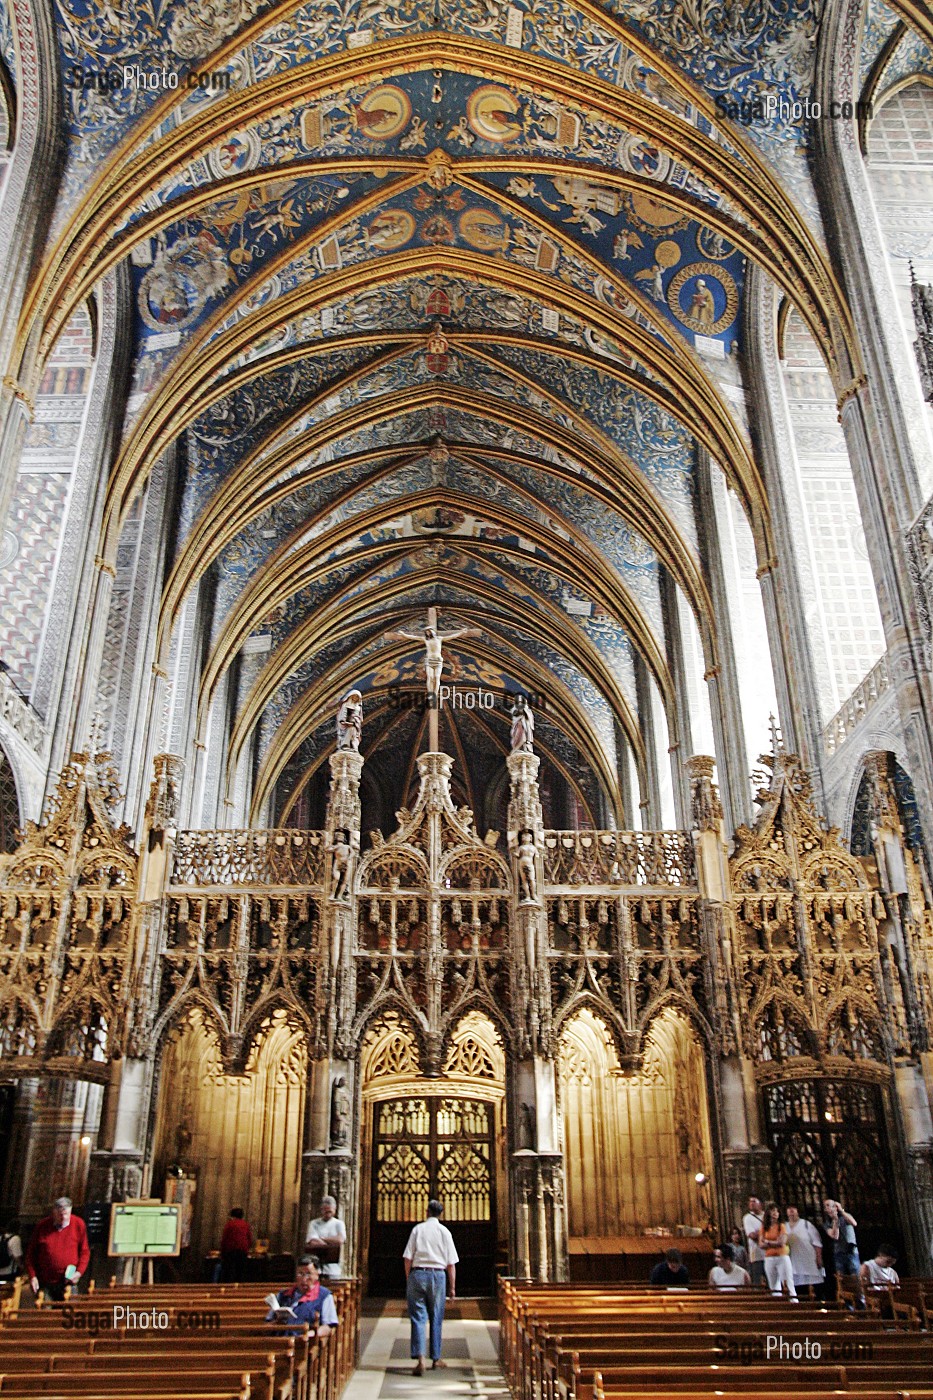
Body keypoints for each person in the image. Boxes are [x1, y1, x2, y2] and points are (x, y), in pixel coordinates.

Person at [403, 1199, 458, 1376]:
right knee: (436, 1316)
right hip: (438, 1275)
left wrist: (409, 1278)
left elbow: (407, 1258)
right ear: (440, 1214)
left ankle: (420, 1358)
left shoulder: (417, 1229)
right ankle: (436, 1358)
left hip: (418, 1274)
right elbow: (451, 1264)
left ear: (427, 1212)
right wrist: (452, 1288)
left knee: (418, 1317)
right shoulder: (445, 1232)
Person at [25, 1197, 90, 1301]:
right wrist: (32, 1276)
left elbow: (84, 1252)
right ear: (54, 1212)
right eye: (60, 1215)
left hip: (68, 1282)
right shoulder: (42, 1226)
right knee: (46, 1314)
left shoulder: (78, 1224)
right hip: (45, 1282)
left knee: (68, 1314)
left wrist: (79, 1272)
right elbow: (31, 1254)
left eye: (66, 1214)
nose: (64, 1217)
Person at [266, 1255, 338, 1335]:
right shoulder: (282, 1295)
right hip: (280, 1342)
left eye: (308, 1274)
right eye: (300, 1274)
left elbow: (329, 1326)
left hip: (304, 1342)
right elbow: (268, 1324)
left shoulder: (324, 1296)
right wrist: (277, 1322)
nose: (304, 1279)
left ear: (317, 1275)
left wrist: (311, 1334)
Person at [823, 1198, 864, 1308]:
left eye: (829, 1205)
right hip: (839, 1254)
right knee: (842, 1281)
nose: (827, 1208)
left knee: (856, 1279)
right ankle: (847, 1305)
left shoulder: (845, 1217)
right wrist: (835, 1221)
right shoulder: (827, 1223)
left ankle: (861, 1304)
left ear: (835, 1206)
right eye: (826, 1206)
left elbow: (854, 1223)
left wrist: (841, 1211)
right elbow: (834, 1236)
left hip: (852, 1253)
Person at [761, 1203, 798, 1300]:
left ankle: (794, 1304)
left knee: (788, 1283)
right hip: (769, 1258)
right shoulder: (764, 1228)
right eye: (773, 1211)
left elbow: (782, 1242)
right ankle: (779, 1306)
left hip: (782, 1257)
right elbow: (761, 1244)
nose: (775, 1213)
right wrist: (774, 1242)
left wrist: (768, 1242)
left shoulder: (781, 1226)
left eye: (777, 1211)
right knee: (774, 1286)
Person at [305, 1196, 347, 1279]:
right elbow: (312, 1241)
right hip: (316, 1268)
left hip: (333, 1269)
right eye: (326, 1211)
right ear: (321, 1210)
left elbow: (340, 1240)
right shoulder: (314, 1223)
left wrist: (322, 1239)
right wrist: (331, 1243)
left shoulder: (339, 1224)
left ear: (334, 1210)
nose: (328, 1214)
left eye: (330, 1211)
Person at [785, 1206, 824, 1294]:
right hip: (793, 1260)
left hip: (807, 1260)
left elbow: (817, 1243)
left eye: (793, 1209)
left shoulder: (806, 1225)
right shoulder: (784, 1226)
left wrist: (818, 1258)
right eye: (789, 1209)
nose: (791, 1211)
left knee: (812, 1287)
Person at [219, 1207, 253, 1283]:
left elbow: (225, 1238)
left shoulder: (229, 1224)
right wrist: (248, 1248)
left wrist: (222, 1251)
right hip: (242, 1250)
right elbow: (249, 1238)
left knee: (229, 1271)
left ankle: (228, 1287)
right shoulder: (245, 1224)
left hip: (230, 1250)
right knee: (240, 1271)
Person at [742, 1195, 765, 1286]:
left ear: (760, 1204)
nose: (751, 1203)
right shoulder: (747, 1218)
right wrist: (766, 1232)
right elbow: (752, 1235)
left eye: (754, 1201)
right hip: (756, 1255)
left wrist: (759, 1233)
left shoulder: (767, 1215)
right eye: (750, 1201)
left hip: (771, 1255)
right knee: (757, 1283)